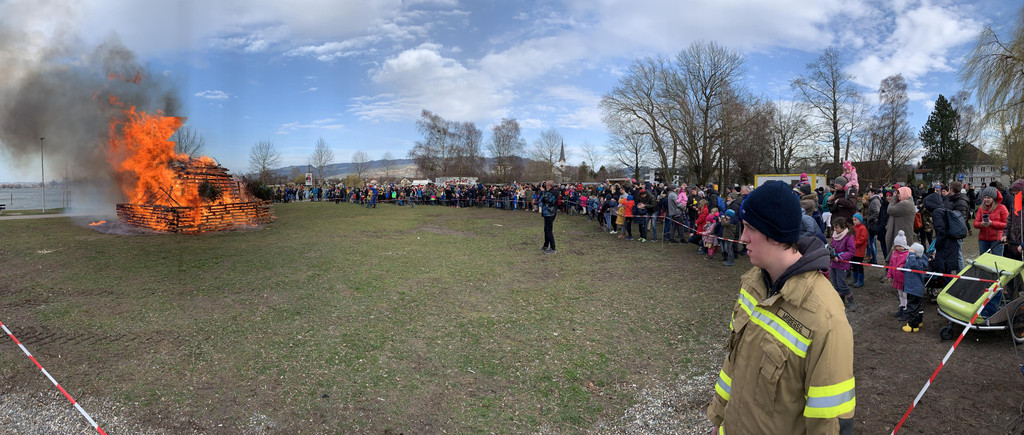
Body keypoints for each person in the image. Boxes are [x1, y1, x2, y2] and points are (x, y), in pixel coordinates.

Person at [707, 180, 855, 434]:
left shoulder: (826, 317)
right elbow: (734, 362)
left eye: (751, 228)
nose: (743, 237)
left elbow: (830, 421)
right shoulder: (752, 283)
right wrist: (718, 420)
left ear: (774, 233)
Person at [829, 217, 857, 311]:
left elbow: (851, 251)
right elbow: (832, 246)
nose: (834, 229)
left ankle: (851, 301)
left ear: (843, 227)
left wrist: (840, 257)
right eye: (834, 227)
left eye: (836, 227)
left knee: (842, 284)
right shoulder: (834, 235)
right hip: (833, 263)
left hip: (842, 264)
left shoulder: (849, 237)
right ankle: (841, 301)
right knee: (835, 283)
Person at [902, 243, 929, 332]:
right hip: (915, 288)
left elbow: (913, 265)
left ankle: (913, 326)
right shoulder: (921, 260)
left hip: (913, 289)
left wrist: (911, 254)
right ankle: (918, 321)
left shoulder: (917, 263)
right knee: (918, 306)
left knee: (912, 307)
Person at [974, 186, 1008, 256]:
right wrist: (981, 224)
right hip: (983, 239)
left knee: (997, 260)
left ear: (993, 198)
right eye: (985, 197)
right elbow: (975, 224)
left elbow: (1006, 224)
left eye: (989, 198)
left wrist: (992, 223)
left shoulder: (1001, 208)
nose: (986, 200)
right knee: (984, 260)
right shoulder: (981, 208)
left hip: (997, 239)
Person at [887, 231, 911, 320]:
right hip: (897, 279)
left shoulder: (908, 254)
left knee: (905, 295)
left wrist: (904, 267)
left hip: (904, 279)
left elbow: (910, 266)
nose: (898, 248)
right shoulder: (894, 254)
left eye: (900, 246)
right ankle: (901, 307)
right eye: (897, 246)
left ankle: (906, 311)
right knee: (900, 294)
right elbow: (891, 265)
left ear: (904, 245)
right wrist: (889, 275)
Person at [1005, 179, 1024, 261]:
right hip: (1012, 245)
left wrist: (1023, 245)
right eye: (1014, 194)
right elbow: (1009, 220)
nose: (1015, 196)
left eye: (1017, 194)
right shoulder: (1014, 203)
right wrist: (1005, 235)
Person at [539, 180, 558, 254]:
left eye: (546, 185)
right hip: (547, 213)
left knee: (549, 230)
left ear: (549, 185)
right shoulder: (549, 192)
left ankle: (553, 248)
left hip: (550, 213)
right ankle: (546, 245)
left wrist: (543, 192)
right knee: (546, 230)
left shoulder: (553, 192)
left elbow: (544, 199)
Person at [850, 213, 868, 288]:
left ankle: (860, 280)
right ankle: (854, 278)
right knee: (853, 265)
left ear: (860, 220)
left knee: (859, 266)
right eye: (853, 220)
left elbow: (862, 239)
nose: (854, 221)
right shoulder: (853, 228)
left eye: (856, 220)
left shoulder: (863, 228)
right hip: (853, 250)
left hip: (859, 251)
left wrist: (853, 244)